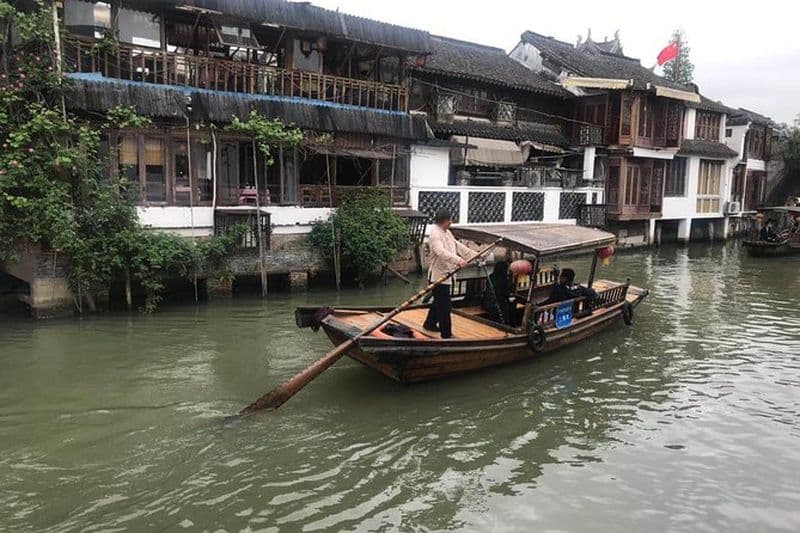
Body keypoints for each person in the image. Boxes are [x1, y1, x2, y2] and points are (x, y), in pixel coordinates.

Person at [423, 210, 474, 338]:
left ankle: (429, 324)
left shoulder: (447, 232)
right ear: (446, 220)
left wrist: (475, 256)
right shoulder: (435, 234)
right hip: (438, 277)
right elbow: (440, 252)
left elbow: (458, 246)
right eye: (451, 220)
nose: (451, 222)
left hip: (448, 275)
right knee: (445, 306)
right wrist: (458, 260)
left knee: (439, 302)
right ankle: (446, 334)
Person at [481, 261, 512, 325]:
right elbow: (506, 294)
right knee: (508, 306)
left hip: (487, 303)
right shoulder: (504, 280)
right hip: (497, 305)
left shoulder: (491, 276)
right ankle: (508, 324)